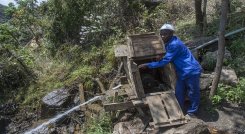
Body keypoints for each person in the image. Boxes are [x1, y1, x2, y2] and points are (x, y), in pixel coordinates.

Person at [138, 23, 202, 117]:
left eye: (165, 34)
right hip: (182, 72)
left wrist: (148, 65)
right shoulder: (170, 42)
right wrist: (162, 55)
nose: (162, 36)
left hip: (191, 70)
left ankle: (192, 112)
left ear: (171, 33)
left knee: (193, 92)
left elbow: (165, 62)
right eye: (161, 34)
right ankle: (179, 111)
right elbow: (169, 55)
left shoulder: (174, 44)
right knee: (179, 92)